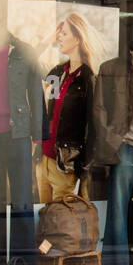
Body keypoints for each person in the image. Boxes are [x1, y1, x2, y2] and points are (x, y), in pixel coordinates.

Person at [38, 12, 98, 202]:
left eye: (64, 33)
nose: (59, 38)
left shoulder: (88, 79)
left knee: (60, 226)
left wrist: (83, 168)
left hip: (65, 166)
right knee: (44, 222)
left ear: (78, 38)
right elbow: (29, 64)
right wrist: (45, 41)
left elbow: (94, 128)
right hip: (44, 160)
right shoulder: (59, 72)